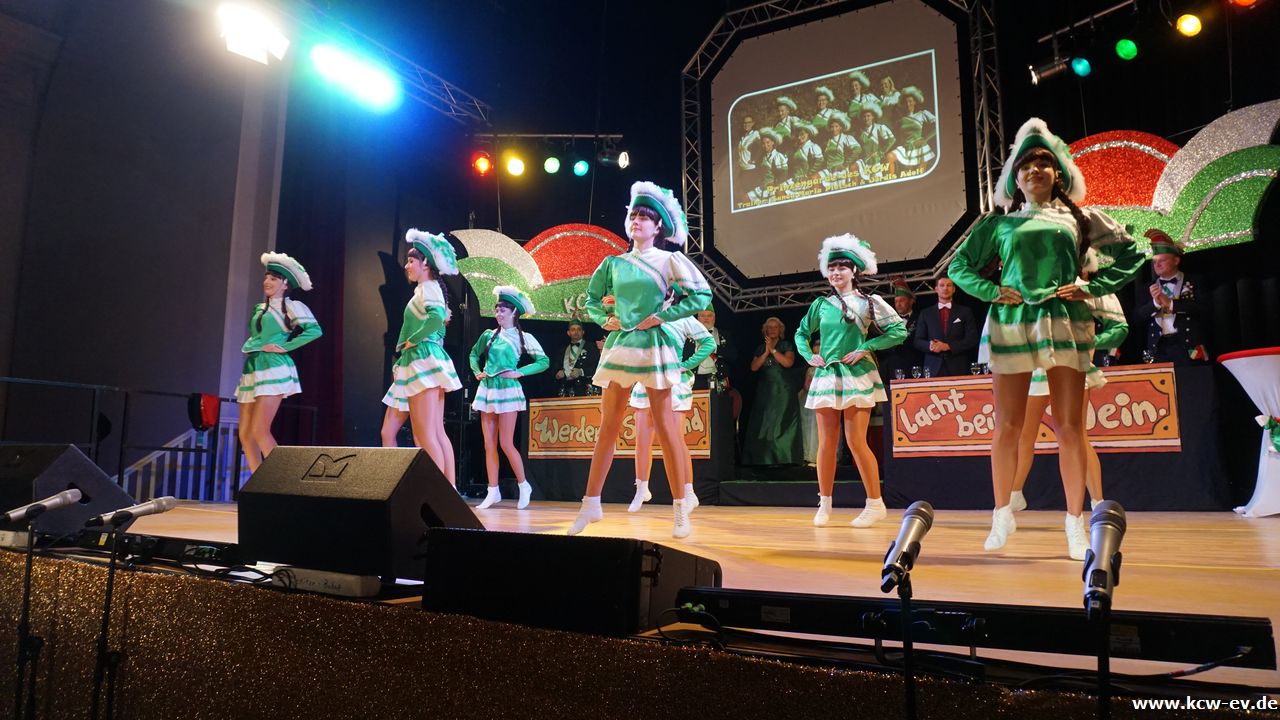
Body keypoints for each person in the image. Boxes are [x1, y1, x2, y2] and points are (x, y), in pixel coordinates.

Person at [948, 118, 1144, 559]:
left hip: (1064, 320)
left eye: (1043, 164)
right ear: (1014, 179)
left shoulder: (1079, 218)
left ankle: (1075, 523)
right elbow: (959, 266)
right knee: (1008, 426)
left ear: (1058, 174)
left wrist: (1092, 287)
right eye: (1026, 166)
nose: (1035, 170)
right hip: (1013, 321)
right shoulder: (998, 225)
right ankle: (1002, 513)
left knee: (1070, 427)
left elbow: (1132, 252)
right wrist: (991, 291)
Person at [568, 181, 711, 538]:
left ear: (658, 226)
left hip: (654, 346)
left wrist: (662, 316)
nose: (637, 221)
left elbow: (701, 296)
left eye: (645, 217)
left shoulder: (668, 260)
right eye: (634, 216)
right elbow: (591, 300)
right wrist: (604, 319)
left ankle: (680, 509)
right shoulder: (613, 263)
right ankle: (591, 503)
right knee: (609, 426)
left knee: (666, 429)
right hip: (621, 344)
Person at [795, 234, 907, 527]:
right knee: (826, 443)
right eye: (832, 268)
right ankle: (825, 504)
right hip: (827, 375)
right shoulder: (821, 304)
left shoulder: (870, 302)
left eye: (842, 268)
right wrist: (809, 355)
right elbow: (801, 333)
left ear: (854, 271)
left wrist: (867, 347)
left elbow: (899, 331)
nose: (836, 273)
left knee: (856, 441)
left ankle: (875, 503)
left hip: (857, 375)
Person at [1010, 250, 1128, 512]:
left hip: (1073, 368)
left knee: (1075, 435)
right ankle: (1013, 495)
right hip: (1037, 370)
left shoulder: (1090, 290)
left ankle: (1098, 502)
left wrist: (1090, 342)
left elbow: (1119, 327)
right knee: (1023, 433)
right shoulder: (1036, 287)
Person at [384, 229, 463, 487]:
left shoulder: (428, 288)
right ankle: (447, 489)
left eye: (411, 261)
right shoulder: (425, 289)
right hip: (420, 359)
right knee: (433, 433)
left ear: (425, 263)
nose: (407, 266)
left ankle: (438, 493)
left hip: (422, 359)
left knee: (426, 435)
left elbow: (436, 318)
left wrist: (413, 339)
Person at [237, 252, 322, 472]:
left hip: (273, 367)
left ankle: (278, 483)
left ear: (285, 284)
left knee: (260, 430)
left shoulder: (291, 306)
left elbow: (314, 330)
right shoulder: (259, 308)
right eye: (266, 277)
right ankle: (257, 483)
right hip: (253, 367)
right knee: (245, 434)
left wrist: (286, 346)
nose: (267, 281)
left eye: (273, 278)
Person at [627, 311, 716, 513]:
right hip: (647, 379)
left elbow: (709, 343)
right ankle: (641, 488)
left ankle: (688, 491)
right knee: (642, 439)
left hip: (673, 383)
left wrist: (685, 365)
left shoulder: (683, 317)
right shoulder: (642, 314)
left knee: (675, 440)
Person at [469, 286, 549, 509]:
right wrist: (477, 371)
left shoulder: (524, 337)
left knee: (505, 442)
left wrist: (519, 372)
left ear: (514, 312)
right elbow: (474, 354)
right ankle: (492, 490)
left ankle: (524, 485)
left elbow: (544, 362)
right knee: (489, 444)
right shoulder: (489, 335)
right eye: (497, 310)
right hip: (488, 389)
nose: (498, 313)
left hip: (508, 390)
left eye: (502, 310)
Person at [1136, 229, 1208, 365]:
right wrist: (1155, 303)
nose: (1157, 265)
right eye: (1154, 261)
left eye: (1162, 260)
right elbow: (1137, 317)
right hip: (1158, 347)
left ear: (1176, 260)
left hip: (1187, 346)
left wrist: (1170, 303)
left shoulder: (1195, 281)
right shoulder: (1147, 288)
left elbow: (1204, 309)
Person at [741, 317, 803, 466]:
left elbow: (788, 363)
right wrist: (765, 352)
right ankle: (763, 459)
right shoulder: (760, 348)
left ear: (780, 330)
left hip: (783, 391)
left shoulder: (786, 345)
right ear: (765, 330)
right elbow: (754, 367)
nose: (773, 330)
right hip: (765, 391)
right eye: (770, 327)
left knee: (780, 423)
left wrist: (773, 350)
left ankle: (783, 458)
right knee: (765, 424)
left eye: (775, 327)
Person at [912, 276, 979, 377]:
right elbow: (917, 341)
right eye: (942, 285)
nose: (945, 288)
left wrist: (948, 346)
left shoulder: (965, 312)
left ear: (954, 289)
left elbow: (972, 339)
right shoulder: (926, 313)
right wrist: (930, 346)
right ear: (936, 289)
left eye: (949, 285)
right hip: (932, 368)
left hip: (958, 368)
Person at [877, 277, 922, 385]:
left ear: (911, 301)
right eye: (896, 301)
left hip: (912, 369)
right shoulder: (888, 321)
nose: (898, 304)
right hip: (890, 370)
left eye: (902, 300)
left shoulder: (920, 318)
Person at [891, 86, 937, 171]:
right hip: (907, 149)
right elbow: (898, 137)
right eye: (905, 102)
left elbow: (937, 126)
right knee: (907, 173)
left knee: (920, 172)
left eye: (910, 101)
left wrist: (925, 139)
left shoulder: (922, 114)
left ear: (915, 102)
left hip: (920, 148)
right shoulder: (900, 121)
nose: (908, 104)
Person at [855, 99, 896, 181]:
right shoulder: (859, 132)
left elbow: (892, 140)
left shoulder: (879, 128)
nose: (866, 118)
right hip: (865, 161)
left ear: (873, 116)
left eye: (868, 116)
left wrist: (880, 152)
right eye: (864, 116)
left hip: (877, 160)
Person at [555, 320, 596, 396]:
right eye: (573, 329)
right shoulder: (562, 350)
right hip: (567, 391)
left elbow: (598, 367)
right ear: (568, 333)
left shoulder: (592, 347)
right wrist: (557, 373)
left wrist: (581, 371)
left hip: (586, 390)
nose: (576, 332)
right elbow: (555, 368)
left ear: (583, 332)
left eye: (579, 329)